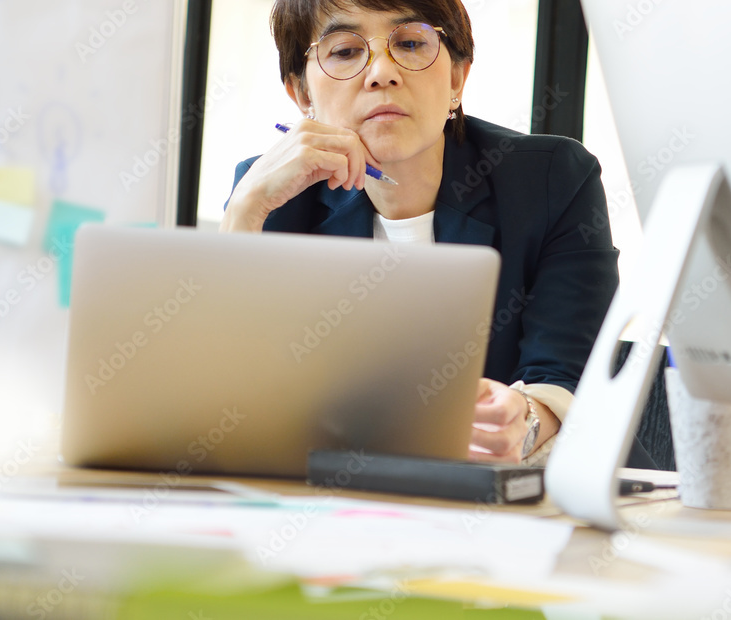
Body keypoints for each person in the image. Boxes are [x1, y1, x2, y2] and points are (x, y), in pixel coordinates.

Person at [220, 0, 619, 465]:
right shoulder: (273, 192)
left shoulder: (552, 179)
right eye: (346, 51)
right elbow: (223, 389)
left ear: (456, 78)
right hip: (340, 498)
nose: (381, 73)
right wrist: (245, 212)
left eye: (410, 43)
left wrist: (525, 420)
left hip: (536, 494)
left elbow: (570, 372)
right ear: (300, 93)